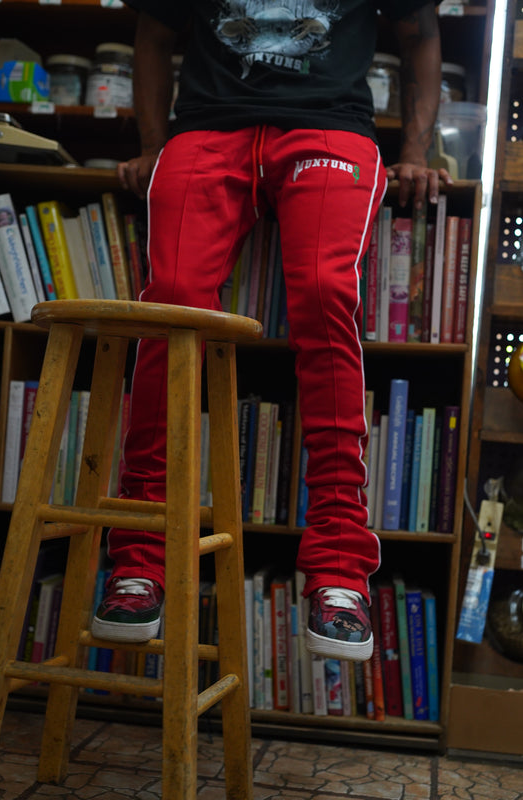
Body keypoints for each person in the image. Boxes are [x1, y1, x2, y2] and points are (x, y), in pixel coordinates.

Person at [91, 0, 451, 661]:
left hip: (328, 132)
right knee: (170, 305)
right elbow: (153, 34)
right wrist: (149, 146)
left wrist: (415, 151)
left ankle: (340, 571)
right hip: (206, 133)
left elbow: (419, 33)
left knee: (323, 294)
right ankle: (139, 560)